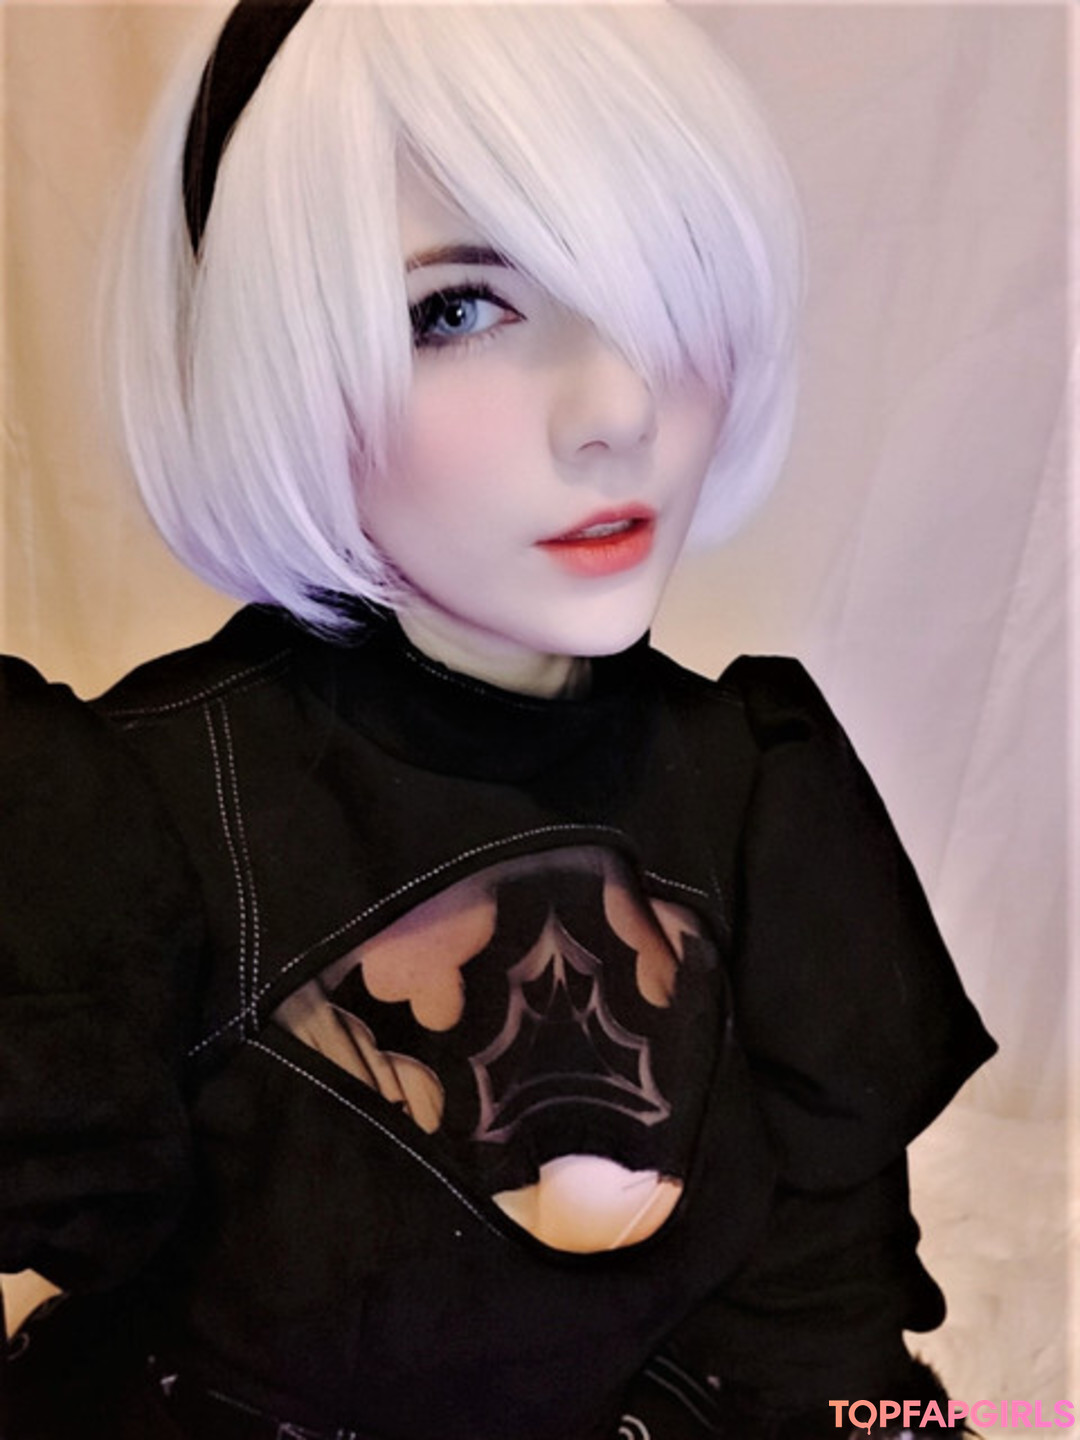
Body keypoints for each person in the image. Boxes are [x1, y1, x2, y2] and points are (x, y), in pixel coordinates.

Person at [0, 2, 996, 1436]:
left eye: (659, 287)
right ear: (278, 354)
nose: (619, 406)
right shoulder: (131, 823)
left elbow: (822, 1329)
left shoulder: (760, 795)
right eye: (457, 309)